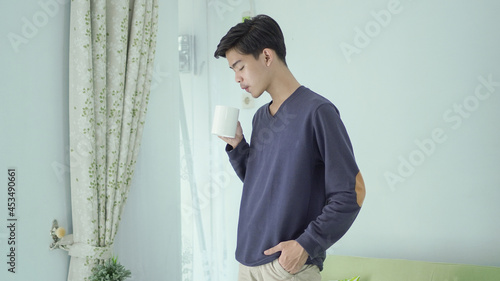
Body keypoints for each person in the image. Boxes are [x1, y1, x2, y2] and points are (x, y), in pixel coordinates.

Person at [214, 14, 366, 281]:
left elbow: (352, 191)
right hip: (247, 263)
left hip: (286, 269)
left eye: (240, 67)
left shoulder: (318, 112)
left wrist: (306, 244)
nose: (237, 78)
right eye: (233, 71)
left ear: (267, 57)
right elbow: (261, 183)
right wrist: (238, 147)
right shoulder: (260, 118)